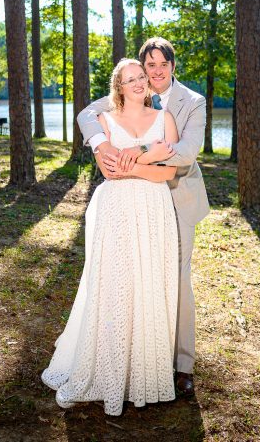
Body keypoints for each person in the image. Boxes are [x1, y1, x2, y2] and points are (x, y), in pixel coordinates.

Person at [41, 59, 182, 416]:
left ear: (149, 84)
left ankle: (145, 374)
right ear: (117, 87)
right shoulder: (104, 122)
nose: (137, 83)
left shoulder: (164, 119)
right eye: (128, 79)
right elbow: (109, 171)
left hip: (154, 209)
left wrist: (133, 165)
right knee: (115, 284)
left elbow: (169, 173)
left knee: (149, 283)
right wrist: (147, 159)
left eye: (141, 77)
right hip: (116, 209)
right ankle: (107, 370)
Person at [77, 37, 209, 398]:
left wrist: (133, 153)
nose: (156, 72)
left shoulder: (192, 102)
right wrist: (103, 146)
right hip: (128, 200)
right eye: (149, 66)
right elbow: (87, 114)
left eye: (162, 64)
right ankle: (133, 354)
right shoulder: (133, 90)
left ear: (172, 65)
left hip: (177, 199)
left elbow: (182, 153)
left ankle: (181, 366)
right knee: (129, 275)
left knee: (175, 279)